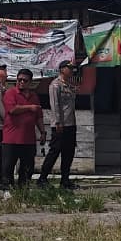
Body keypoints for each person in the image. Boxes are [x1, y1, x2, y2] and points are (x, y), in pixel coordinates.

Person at [1, 68, 46, 188]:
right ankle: (8, 189)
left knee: (27, 167)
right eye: (19, 79)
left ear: (30, 82)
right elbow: (12, 109)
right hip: (12, 138)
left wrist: (43, 132)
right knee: (8, 166)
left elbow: (39, 116)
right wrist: (30, 107)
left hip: (28, 139)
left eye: (25, 80)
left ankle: (23, 190)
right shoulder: (10, 93)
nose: (21, 82)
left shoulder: (34, 96)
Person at [38, 60, 78, 189]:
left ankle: (65, 180)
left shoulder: (69, 85)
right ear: (62, 69)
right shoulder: (55, 85)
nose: (71, 71)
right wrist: (57, 122)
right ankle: (42, 178)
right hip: (60, 124)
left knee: (69, 152)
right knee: (54, 151)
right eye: (69, 68)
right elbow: (54, 105)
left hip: (70, 123)